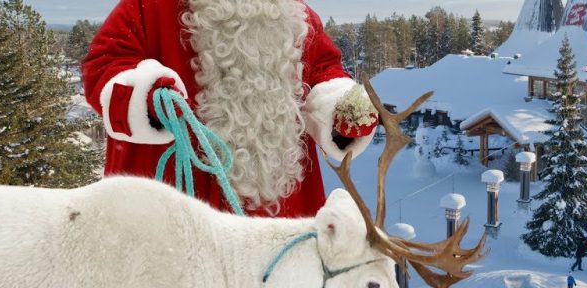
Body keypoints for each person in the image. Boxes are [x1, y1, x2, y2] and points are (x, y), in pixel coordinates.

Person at [82, 0, 380, 218]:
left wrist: (340, 106)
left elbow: (324, 71)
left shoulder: (298, 14)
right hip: (173, 211)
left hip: (278, 224)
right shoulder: (149, 6)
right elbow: (105, 66)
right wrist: (146, 100)